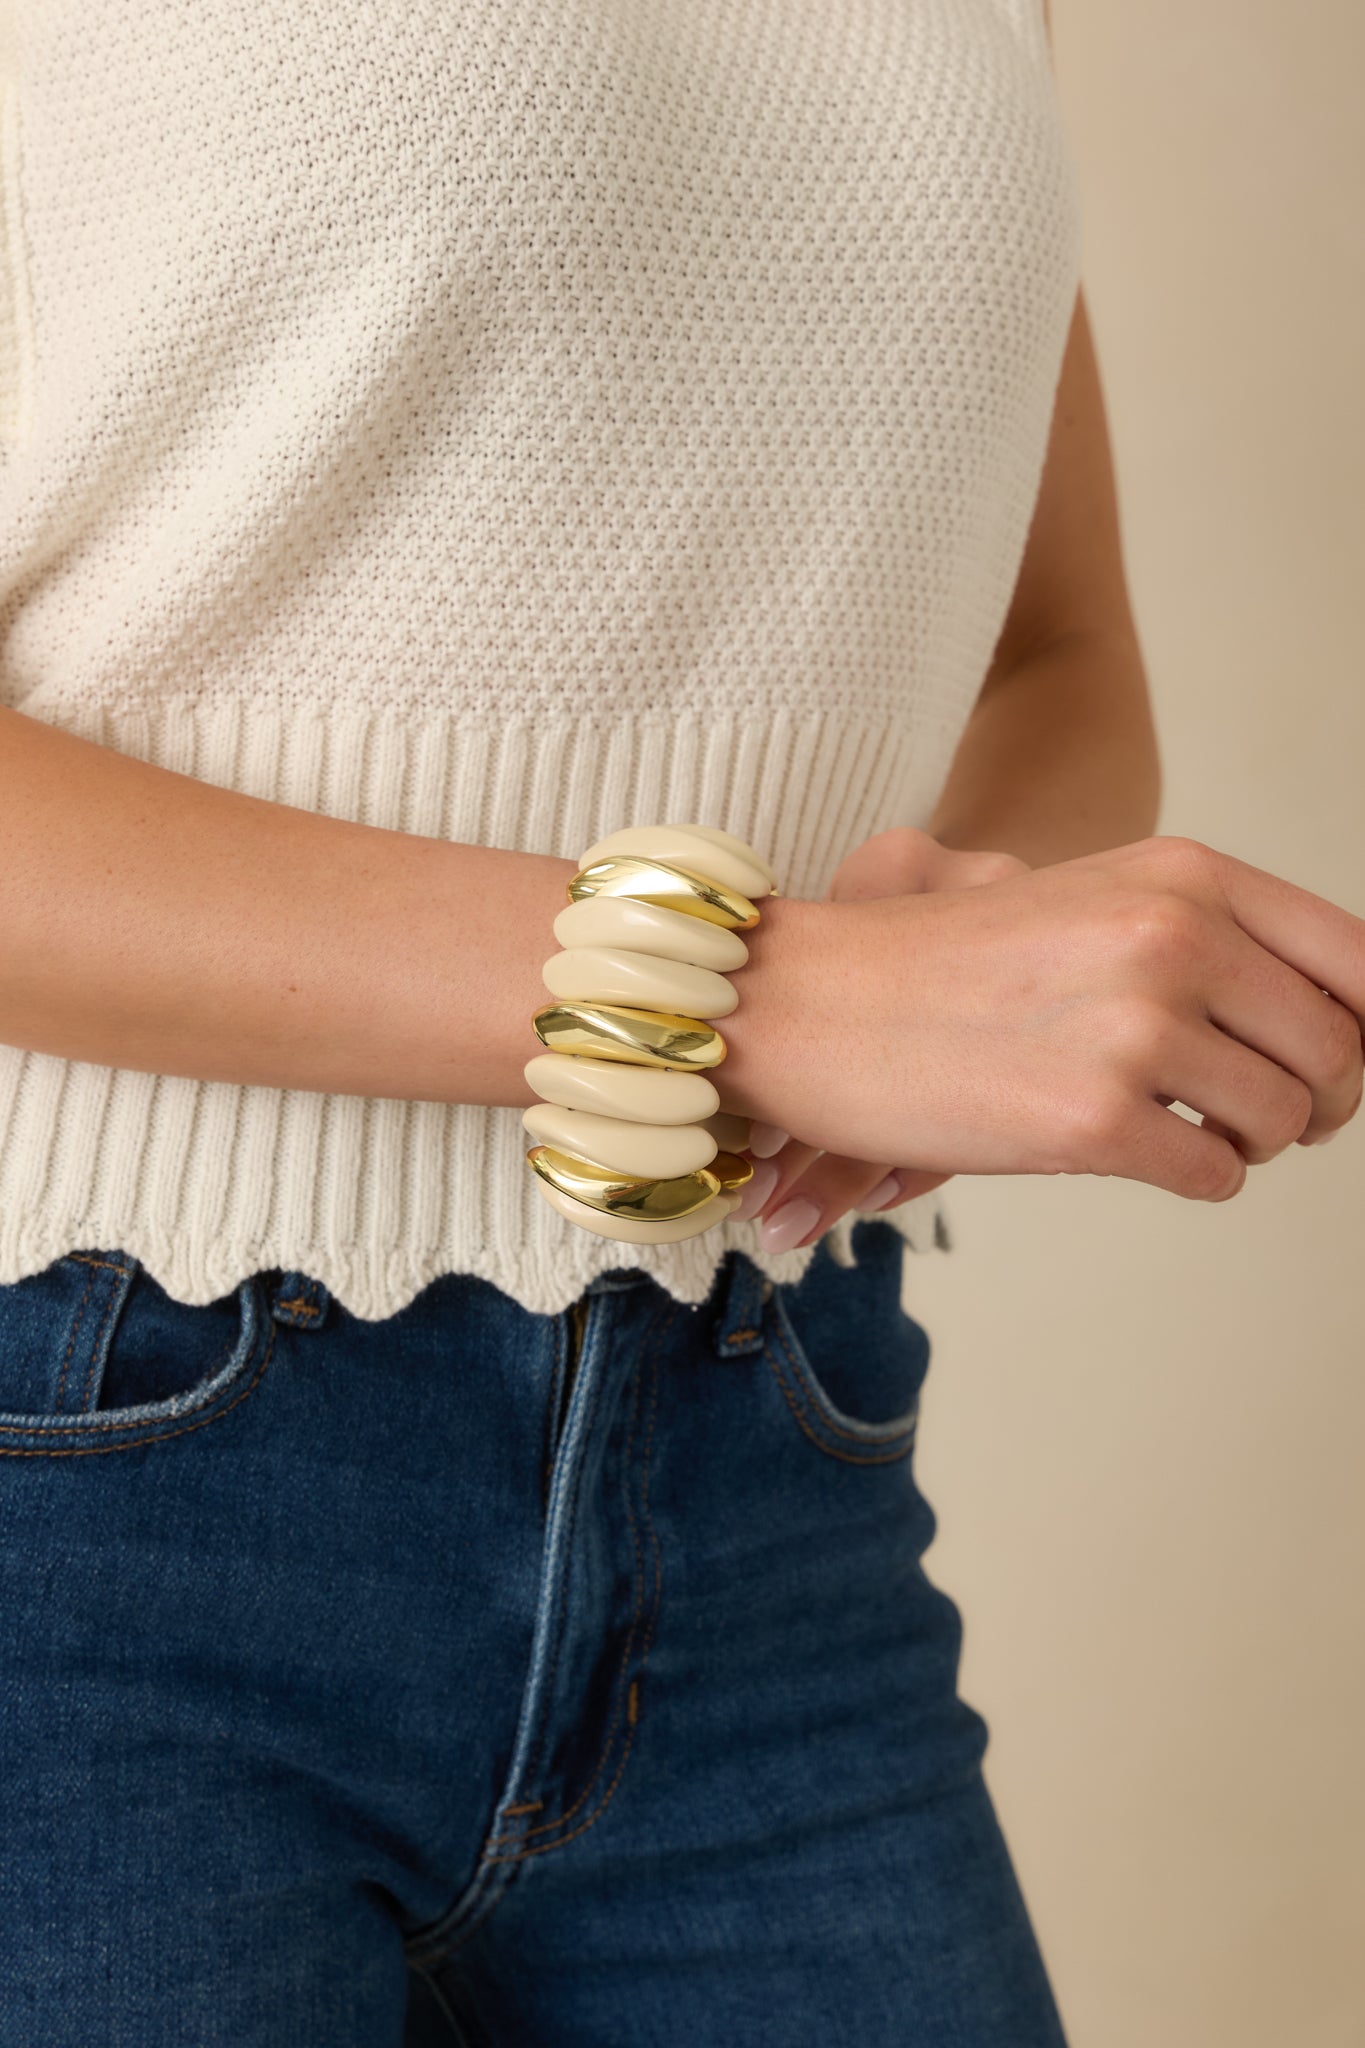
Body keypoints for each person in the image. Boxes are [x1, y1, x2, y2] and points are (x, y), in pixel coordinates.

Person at [0, 2, 1360, 2042]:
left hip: (762, 1448)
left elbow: (1047, 651)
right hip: (80, 1492)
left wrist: (955, 942)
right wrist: (757, 990)